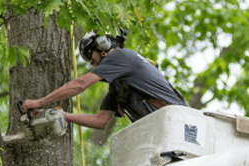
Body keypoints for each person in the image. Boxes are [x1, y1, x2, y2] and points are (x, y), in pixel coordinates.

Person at [23, 28, 187, 129]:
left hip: (181, 123)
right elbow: (100, 121)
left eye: (89, 55)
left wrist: (39, 102)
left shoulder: (122, 56)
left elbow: (81, 83)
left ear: (102, 44)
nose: (91, 63)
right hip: (163, 129)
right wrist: (62, 115)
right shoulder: (119, 86)